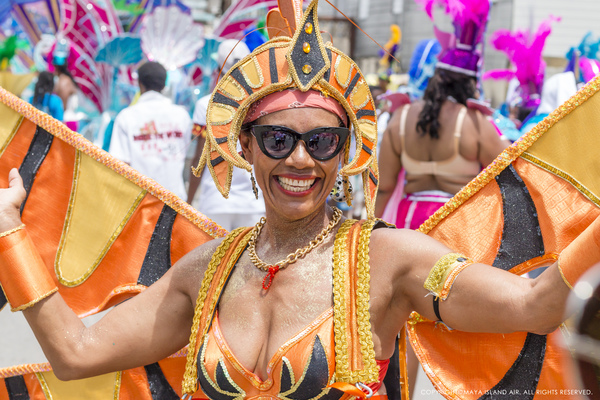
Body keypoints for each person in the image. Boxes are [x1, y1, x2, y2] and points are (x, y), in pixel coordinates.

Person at [0, 1, 597, 399]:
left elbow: (535, 306)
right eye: (279, 140)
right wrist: (10, 235)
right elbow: (76, 353)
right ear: (246, 147)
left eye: (322, 141)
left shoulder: (390, 261)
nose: (301, 161)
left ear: (345, 152)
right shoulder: (204, 273)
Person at [375, 0, 510, 229]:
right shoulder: (475, 123)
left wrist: (371, 233)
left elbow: (385, 186)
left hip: (407, 228)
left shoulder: (401, 117)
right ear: (470, 83)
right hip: (457, 229)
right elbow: (508, 177)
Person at [188, 39, 265, 230]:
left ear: (218, 69)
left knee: (215, 260)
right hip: (253, 204)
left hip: (216, 201)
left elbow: (200, 158)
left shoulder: (204, 105)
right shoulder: (258, 105)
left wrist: (188, 201)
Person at [109, 61, 192, 200]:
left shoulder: (126, 116)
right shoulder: (181, 115)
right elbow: (189, 156)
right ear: (164, 85)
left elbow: (119, 164)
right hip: (175, 202)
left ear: (139, 84)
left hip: (139, 201)